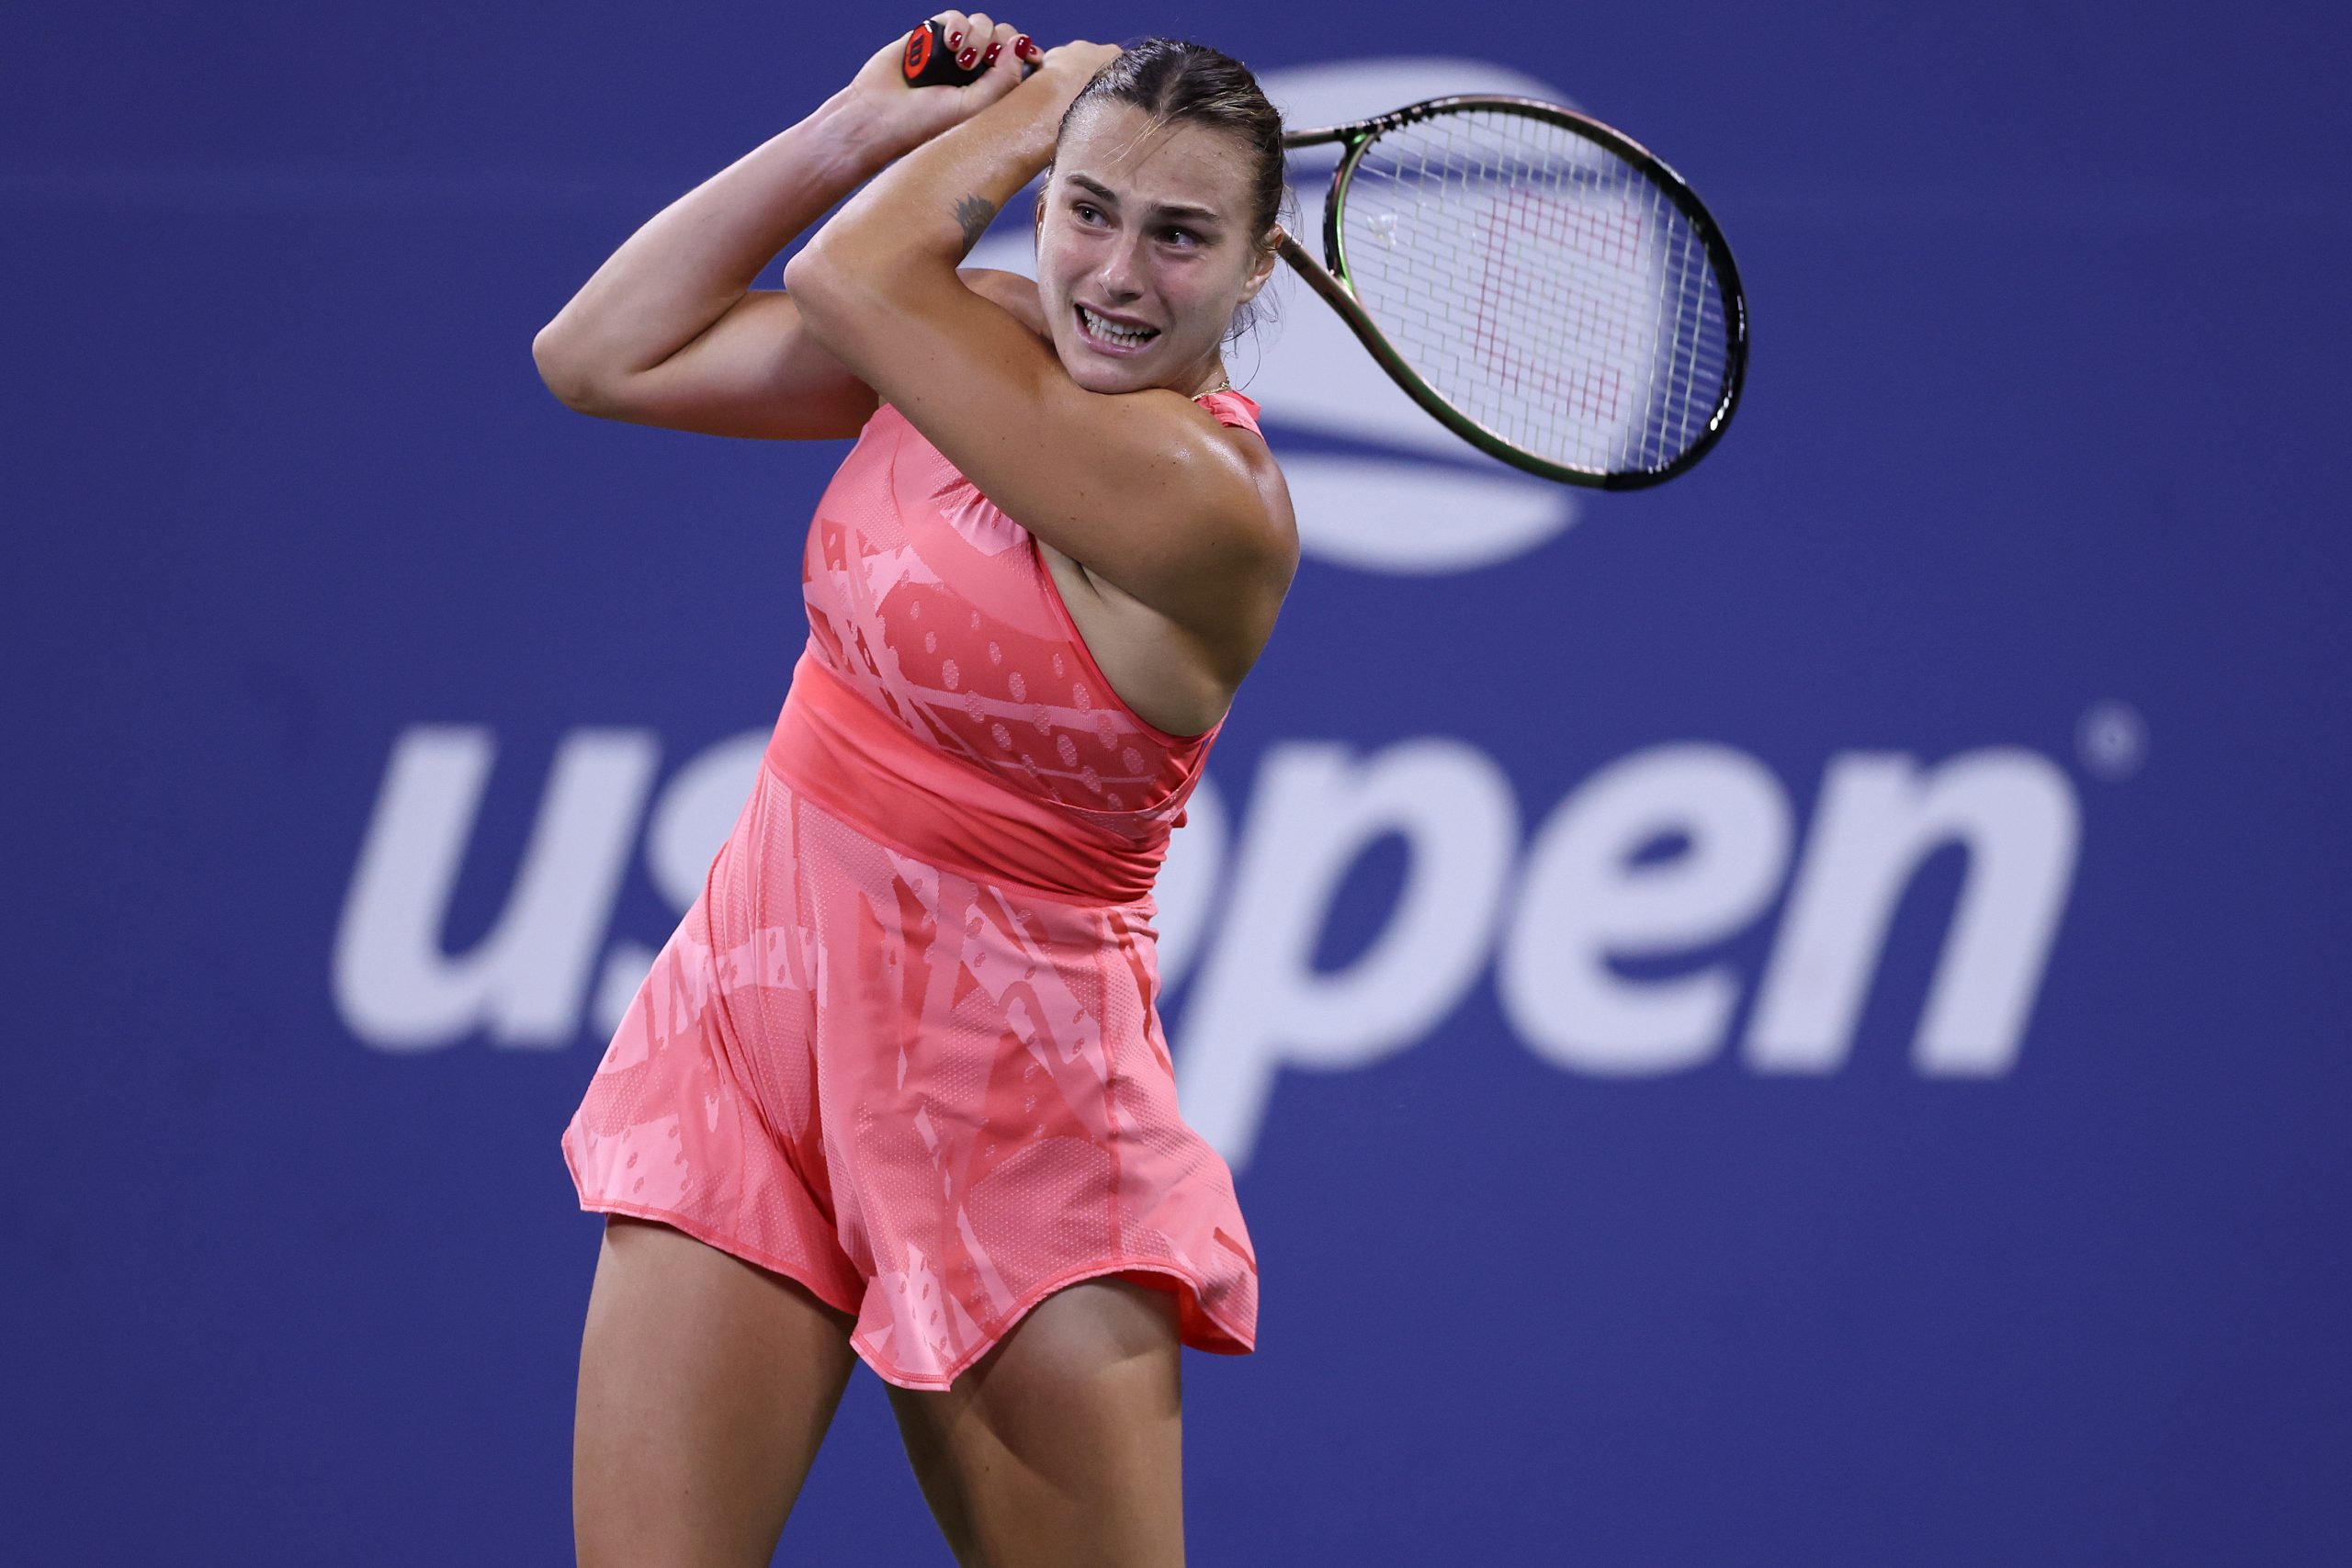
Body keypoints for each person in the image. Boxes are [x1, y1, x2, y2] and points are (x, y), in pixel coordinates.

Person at [532, 16, 1296, 1566]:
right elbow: (599, 355)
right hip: (752, 1035)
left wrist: (1041, 115)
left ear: (1257, 267)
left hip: (1015, 1110)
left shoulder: (1211, 506)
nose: (1119, 276)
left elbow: (848, 278)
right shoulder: (979, 334)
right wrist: (844, 131)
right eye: (1090, 210)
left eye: (1180, 236)